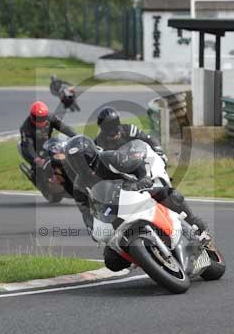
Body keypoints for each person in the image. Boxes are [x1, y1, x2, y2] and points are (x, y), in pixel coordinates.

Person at [65, 135, 209, 272]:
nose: (79, 164)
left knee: (169, 194)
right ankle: (144, 257)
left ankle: (194, 224)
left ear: (92, 153)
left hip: (135, 192)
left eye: (82, 158)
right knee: (111, 261)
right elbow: (85, 211)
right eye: (75, 161)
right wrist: (92, 228)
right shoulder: (79, 185)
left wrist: (143, 178)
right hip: (114, 211)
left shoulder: (108, 158)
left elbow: (136, 163)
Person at [19, 101, 77, 183]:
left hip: (47, 143)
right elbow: (29, 146)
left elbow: (64, 128)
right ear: (32, 117)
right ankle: (38, 179)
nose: (40, 121)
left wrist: (77, 137)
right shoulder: (26, 128)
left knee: (61, 154)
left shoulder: (50, 117)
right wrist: (36, 158)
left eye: (42, 118)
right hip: (32, 149)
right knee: (39, 166)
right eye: (37, 118)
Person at [95, 107, 165, 161]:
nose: (111, 129)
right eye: (108, 126)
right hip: (115, 171)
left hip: (136, 162)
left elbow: (147, 138)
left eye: (113, 124)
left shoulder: (129, 130)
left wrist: (157, 149)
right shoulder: (99, 141)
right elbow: (94, 157)